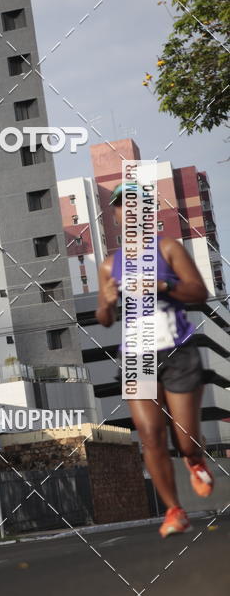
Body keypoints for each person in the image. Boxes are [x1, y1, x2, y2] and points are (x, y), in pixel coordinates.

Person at [96, 182, 214, 538]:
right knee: (149, 434)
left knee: (185, 440)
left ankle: (194, 458)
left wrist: (163, 286)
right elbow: (104, 318)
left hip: (177, 349)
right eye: (121, 205)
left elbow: (199, 292)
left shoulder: (168, 248)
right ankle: (174, 510)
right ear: (116, 215)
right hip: (137, 356)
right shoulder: (109, 265)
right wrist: (108, 302)